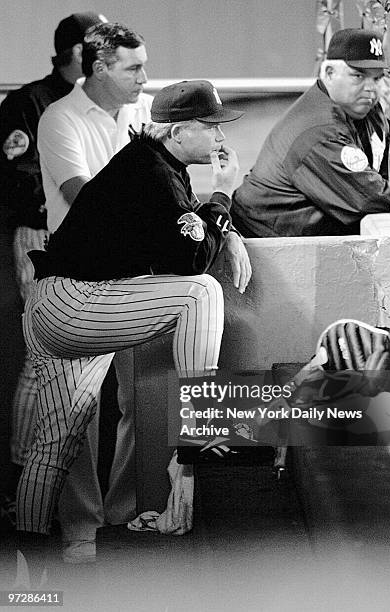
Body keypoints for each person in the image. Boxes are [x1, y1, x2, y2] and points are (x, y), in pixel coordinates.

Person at [16, 79, 244, 549]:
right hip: (78, 302)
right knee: (199, 292)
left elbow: (179, 238)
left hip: (56, 304)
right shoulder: (153, 170)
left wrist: (225, 227)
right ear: (177, 132)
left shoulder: (152, 163)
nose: (222, 138)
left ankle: (31, 571)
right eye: (211, 126)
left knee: (54, 446)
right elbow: (193, 260)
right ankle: (202, 422)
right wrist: (223, 196)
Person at [35, 21, 154, 563]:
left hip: (138, 272)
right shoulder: (59, 119)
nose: (143, 78)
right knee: (78, 411)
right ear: (100, 67)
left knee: (140, 399)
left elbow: (163, 185)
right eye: (133, 68)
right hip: (79, 279)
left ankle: (127, 514)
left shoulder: (141, 113)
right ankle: (80, 531)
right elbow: (84, 200)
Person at [0, 11, 106, 524]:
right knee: (41, 357)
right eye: (97, 47)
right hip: (40, 236)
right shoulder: (29, 102)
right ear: (77, 52)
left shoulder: (99, 107)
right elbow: (19, 182)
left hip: (82, 239)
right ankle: (18, 477)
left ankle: (48, 483)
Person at [231, 28, 390, 237]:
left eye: (377, 79)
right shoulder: (319, 131)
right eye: (358, 76)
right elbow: (370, 199)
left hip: (304, 237)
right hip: (262, 243)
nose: (371, 88)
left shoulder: (368, 109)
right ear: (329, 73)